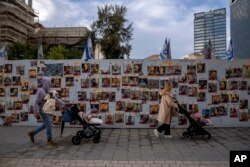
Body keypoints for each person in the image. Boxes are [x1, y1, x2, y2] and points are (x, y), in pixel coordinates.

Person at [28, 77, 65, 146]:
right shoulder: (41, 91)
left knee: (45, 125)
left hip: (47, 110)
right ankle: (49, 140)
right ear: (46, 83)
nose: (51, 84)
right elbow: (36, 102)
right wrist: (36, 111)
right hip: (42, 111)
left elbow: (55, 99)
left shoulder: (49, 91)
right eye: (49, 83)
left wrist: (63, 103)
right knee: (49, 125)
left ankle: (32, 133)